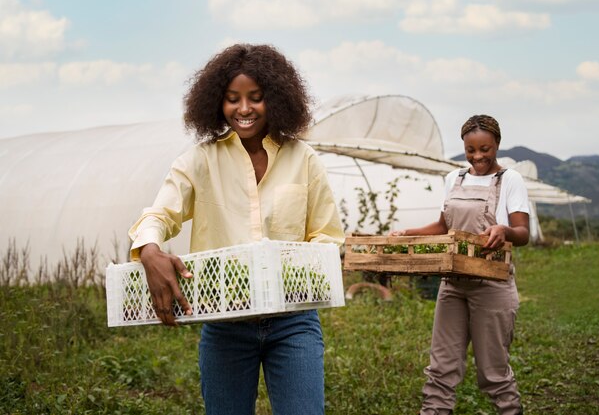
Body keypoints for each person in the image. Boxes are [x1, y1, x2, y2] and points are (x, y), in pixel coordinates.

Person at [127, 43, 344, 415]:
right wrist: (149, 249)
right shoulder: (200, 160)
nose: (243, 109)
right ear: (217, 102)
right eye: (232, 99)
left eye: (255, 98)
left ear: (275, 99)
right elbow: (159, 213)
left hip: (293, 322)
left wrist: (288, 273)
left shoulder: (303, 159)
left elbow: (326, 236)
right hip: (225, 322)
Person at [390, 115, 529, 415]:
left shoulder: (509, 180)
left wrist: (503, 231)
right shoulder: (454, 179)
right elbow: (444, 225)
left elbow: (523, 232)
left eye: (485, 149)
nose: (477, 156)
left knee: (493, 370)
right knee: (441, 366)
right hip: (452, 283)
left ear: (497, 146)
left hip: (492, 284)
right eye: (470, 150)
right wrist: (408, 232)